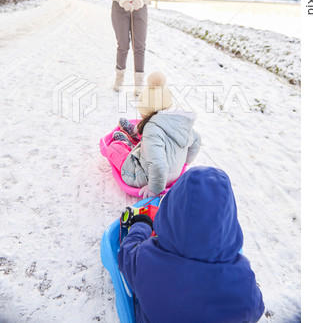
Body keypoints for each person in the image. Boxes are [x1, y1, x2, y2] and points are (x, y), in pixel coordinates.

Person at [118, 166, 265, 323]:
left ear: (169, 208)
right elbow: (256, 310)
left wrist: (142, 225)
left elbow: (126, 252)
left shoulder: (147, 259)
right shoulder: (242, 281)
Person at [106, 71, 201, 198]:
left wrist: (154, 188)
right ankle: (136, 132)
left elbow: (158, 164)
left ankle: (126, 144)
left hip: (145, 177)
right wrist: (185, 161)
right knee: (152, 141)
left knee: (113, 148)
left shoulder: (151, 129)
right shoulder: (179, 123)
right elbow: (197, 140)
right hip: (174, 173)